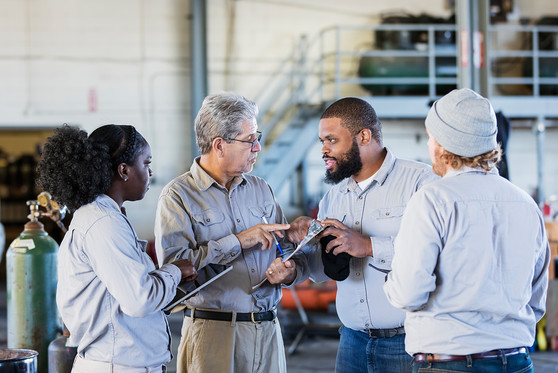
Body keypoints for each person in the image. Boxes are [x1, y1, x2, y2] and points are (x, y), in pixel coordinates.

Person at [383, 88, 550, 373]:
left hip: (451, 363)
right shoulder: (525, 203)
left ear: (444, 144)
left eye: (430, 137)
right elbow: (535, 300)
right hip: (516, 362)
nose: (428, 146)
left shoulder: (432, 200)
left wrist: (391, 282)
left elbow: (409, 293)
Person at [271, 97, 438, 373]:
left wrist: (369, 245)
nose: (324, 150)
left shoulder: (421, 183)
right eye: (321, 141)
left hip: (408, 343)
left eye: (331, 140)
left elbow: (437, 252)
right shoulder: (333, 197)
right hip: (351, 342)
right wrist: (292, 267)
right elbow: (322, 271)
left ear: (364, 136)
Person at [154, 92, 305, 373]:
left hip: (268, 330)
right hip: (214, 336)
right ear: (219, 145)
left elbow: (285, 252)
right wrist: (237, 241)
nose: (258, 147)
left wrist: (292, 264)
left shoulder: (261, 189)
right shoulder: (178, 196)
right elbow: (174, 272)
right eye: (250, 139)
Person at [37, 124, 198, 373]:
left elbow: (124, 295)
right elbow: (139, 299)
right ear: (123, 170)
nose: (150, 171)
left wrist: (166, 285)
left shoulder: (105, 216)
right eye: (146, 163)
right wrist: (174, 271)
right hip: (115, 366)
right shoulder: (103, 222)